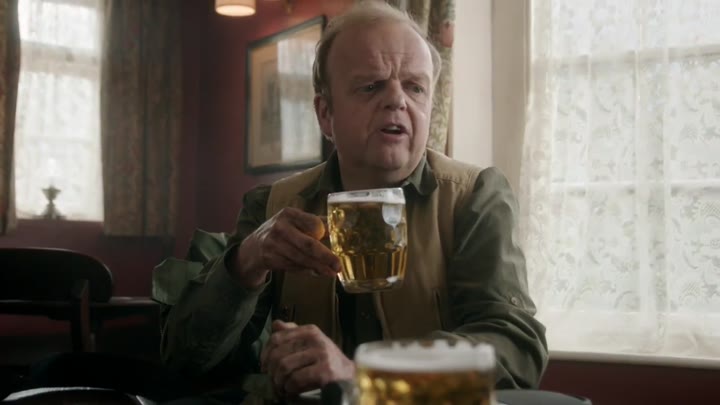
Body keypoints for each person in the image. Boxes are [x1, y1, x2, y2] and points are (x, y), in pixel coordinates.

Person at [161, 1, 547, 399]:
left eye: (415, 87)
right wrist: (245, 264)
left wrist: (366, 374)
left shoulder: (474, 197)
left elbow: (516, 350)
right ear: (325, 114)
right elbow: (184, 362)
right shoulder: (271, 205)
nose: (397, 100)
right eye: (371, 86)